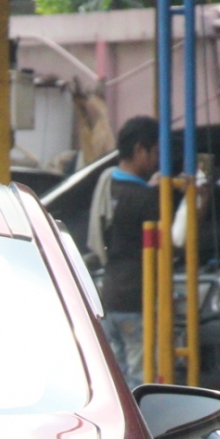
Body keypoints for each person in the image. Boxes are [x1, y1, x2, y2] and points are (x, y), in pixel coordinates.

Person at [90, 115, 161, 387]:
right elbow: (174, 243)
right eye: (155, 153)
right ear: (140, 149)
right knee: (141, 380)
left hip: (109, 297)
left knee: (115, 381)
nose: (157, 161)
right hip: (137, 300)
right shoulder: (147, 199)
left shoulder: (107, 186)